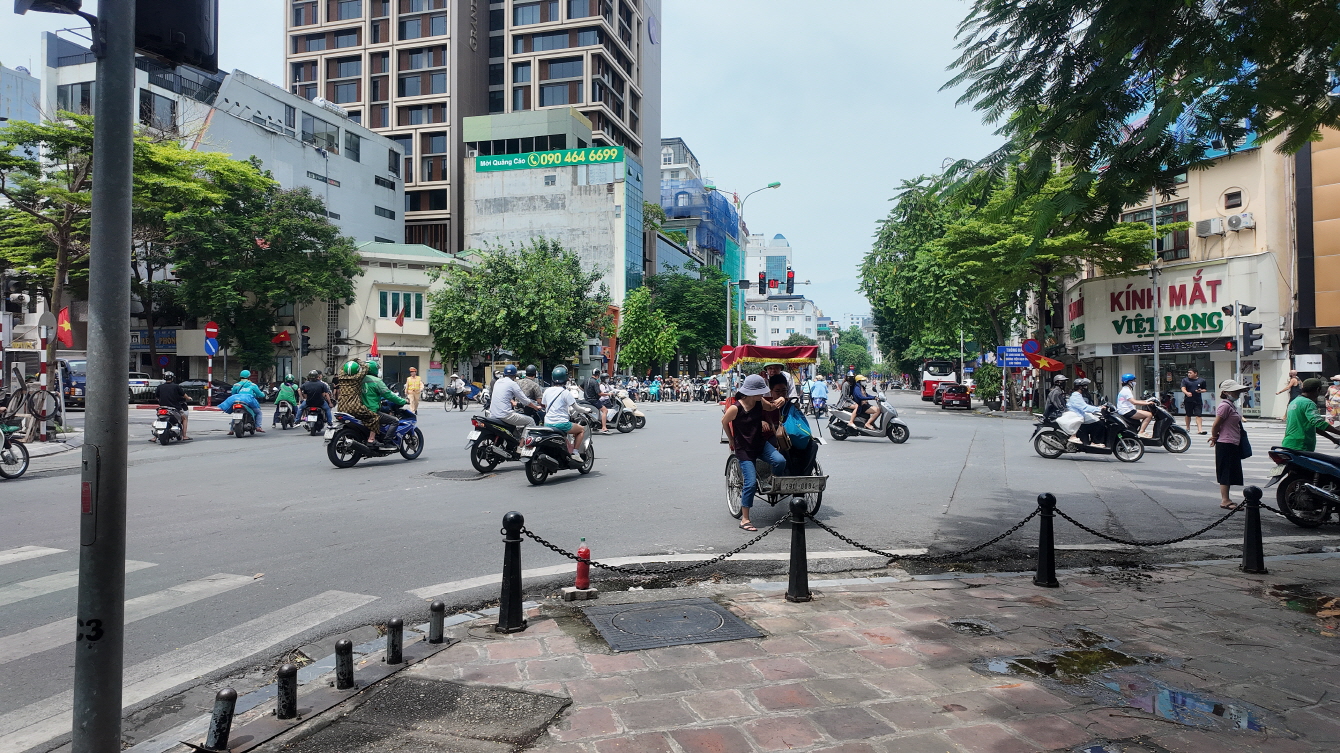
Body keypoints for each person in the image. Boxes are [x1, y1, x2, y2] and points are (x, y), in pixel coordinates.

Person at [722, 374, 788, 533]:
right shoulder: (735, 408)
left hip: (760, 444)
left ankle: (771, 480)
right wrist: (731, 439)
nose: (762, 394)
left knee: (780, 461)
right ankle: (745, 519)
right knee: (750, 483)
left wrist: (781, 400)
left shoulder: (760, 402)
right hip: (744, 449)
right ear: (750, 393)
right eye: (760, 392)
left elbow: (771, 407)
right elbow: (724, 422)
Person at [1209, 378, 1250, 510]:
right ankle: (1225, 500)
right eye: (1234, 391)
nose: (1237, 393)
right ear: (1226, 392)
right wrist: (1214, 436)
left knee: (1230, 471)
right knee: (1225, 472)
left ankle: (1227, 499)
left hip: (1232, 442)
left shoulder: (1231, 405)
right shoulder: (1225, 406)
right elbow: (1216, 424)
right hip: (1226, 443)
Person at [1282, 377, 1340, 453]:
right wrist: (1338, 432)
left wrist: (1333, 439)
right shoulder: (1308, 403)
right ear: (1318, 389)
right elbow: (1319, 423)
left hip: (1288, 443)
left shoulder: (1294, 402)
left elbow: (1315, 427)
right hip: (1301, 445)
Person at [543, 366, 585, 459]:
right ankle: (575, 453)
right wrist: (586, 410)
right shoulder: (565, 392)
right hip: (561, 424)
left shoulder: (547, 391)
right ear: (565, 378)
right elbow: (577, 408)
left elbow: (545, 406)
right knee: (581, 429)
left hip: (547, 423)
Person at [361, 360, 407, 446]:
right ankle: (387, 442)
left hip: (360, 410)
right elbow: (388, 395)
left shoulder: (359, 380)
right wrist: (403, 401)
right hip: (371, 410)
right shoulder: (376, 381)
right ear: (374, 369)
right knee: (395, 421)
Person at [490, 364, 542, 430]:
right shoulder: (513, 384)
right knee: (530, 421)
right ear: (515, 375)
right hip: (505, 415)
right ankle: (524, 437)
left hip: (493, 414)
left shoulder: (498, 382)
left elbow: (506, 396)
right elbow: (526, 401)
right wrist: (536, 407)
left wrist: (513, 402)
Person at [153, 371, 192, 441]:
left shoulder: (160, 387)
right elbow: (183, 394)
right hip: (174, 408)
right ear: (172, 378)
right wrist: (188, 398)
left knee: (160, 419)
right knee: (184, 418)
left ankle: (155, 437)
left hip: (162, 408)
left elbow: (156, 397)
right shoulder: (176, 386)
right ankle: (184, 436)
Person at [1067, 378, 1105, 445]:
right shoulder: (1076, 396)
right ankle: (1095, 442)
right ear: (1080, 387)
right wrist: (1099, 409)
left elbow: (1086, 406)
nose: (1086, 387)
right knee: (1099, 424)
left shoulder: (1078, 395)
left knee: (1096, 420)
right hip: (1079, 417)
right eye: (1084, 386)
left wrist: (1097, 408)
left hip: (1081, 416)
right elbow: (1085, 407)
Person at [1181, 368, 1209, 434]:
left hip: (1197, 400)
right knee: (1188, 414)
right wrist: (1187, 393)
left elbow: (1205, 389)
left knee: (1198, 415)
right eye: (1188, 373)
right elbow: (1183, 388)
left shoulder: (1201, 380)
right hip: (1188, 400)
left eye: (1190, 373)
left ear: (1195, 373)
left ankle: (1200, 429)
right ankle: (1187, 428)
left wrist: (1200, 391)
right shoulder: (1185, 380)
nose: (1189, 374)